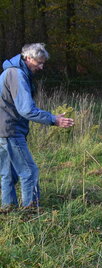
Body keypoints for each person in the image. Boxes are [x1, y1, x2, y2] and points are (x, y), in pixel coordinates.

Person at [0, 43, 74, 208]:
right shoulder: (17, 74)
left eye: (43, 63)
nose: (41, 67)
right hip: (11, 130)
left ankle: (8, 208)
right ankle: (31, 211)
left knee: (8, 174)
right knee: (29, 172)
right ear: (28, 58)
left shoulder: (9, 71)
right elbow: (26, 110)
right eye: (38, 63)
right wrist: (53, 119)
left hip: (2, 130)